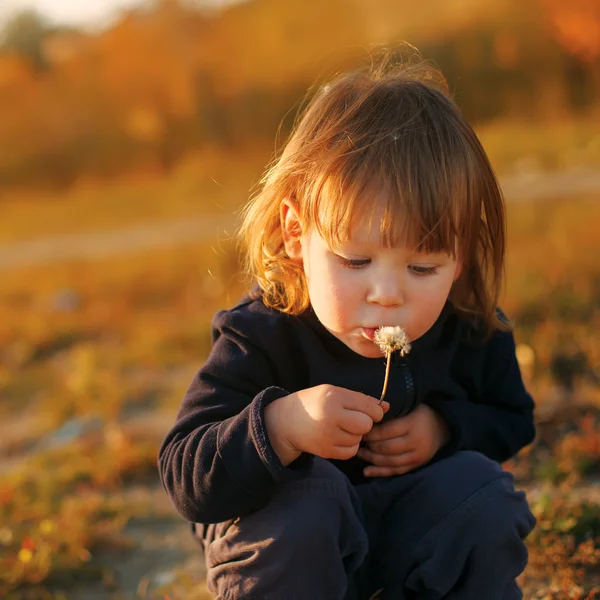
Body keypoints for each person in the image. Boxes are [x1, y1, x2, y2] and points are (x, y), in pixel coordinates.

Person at [158, 49, 537, 600]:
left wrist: (444, 428)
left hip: (402, 538)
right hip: (298, 546)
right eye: (355, 261)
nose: (387, 294)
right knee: (307, 504)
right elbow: (185, 475)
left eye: (423, 267)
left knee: (482, 494)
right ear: (295, 234)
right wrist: (280, 426)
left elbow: (512, 420)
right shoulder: (262, 334)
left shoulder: (469, 327)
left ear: (462, 259)